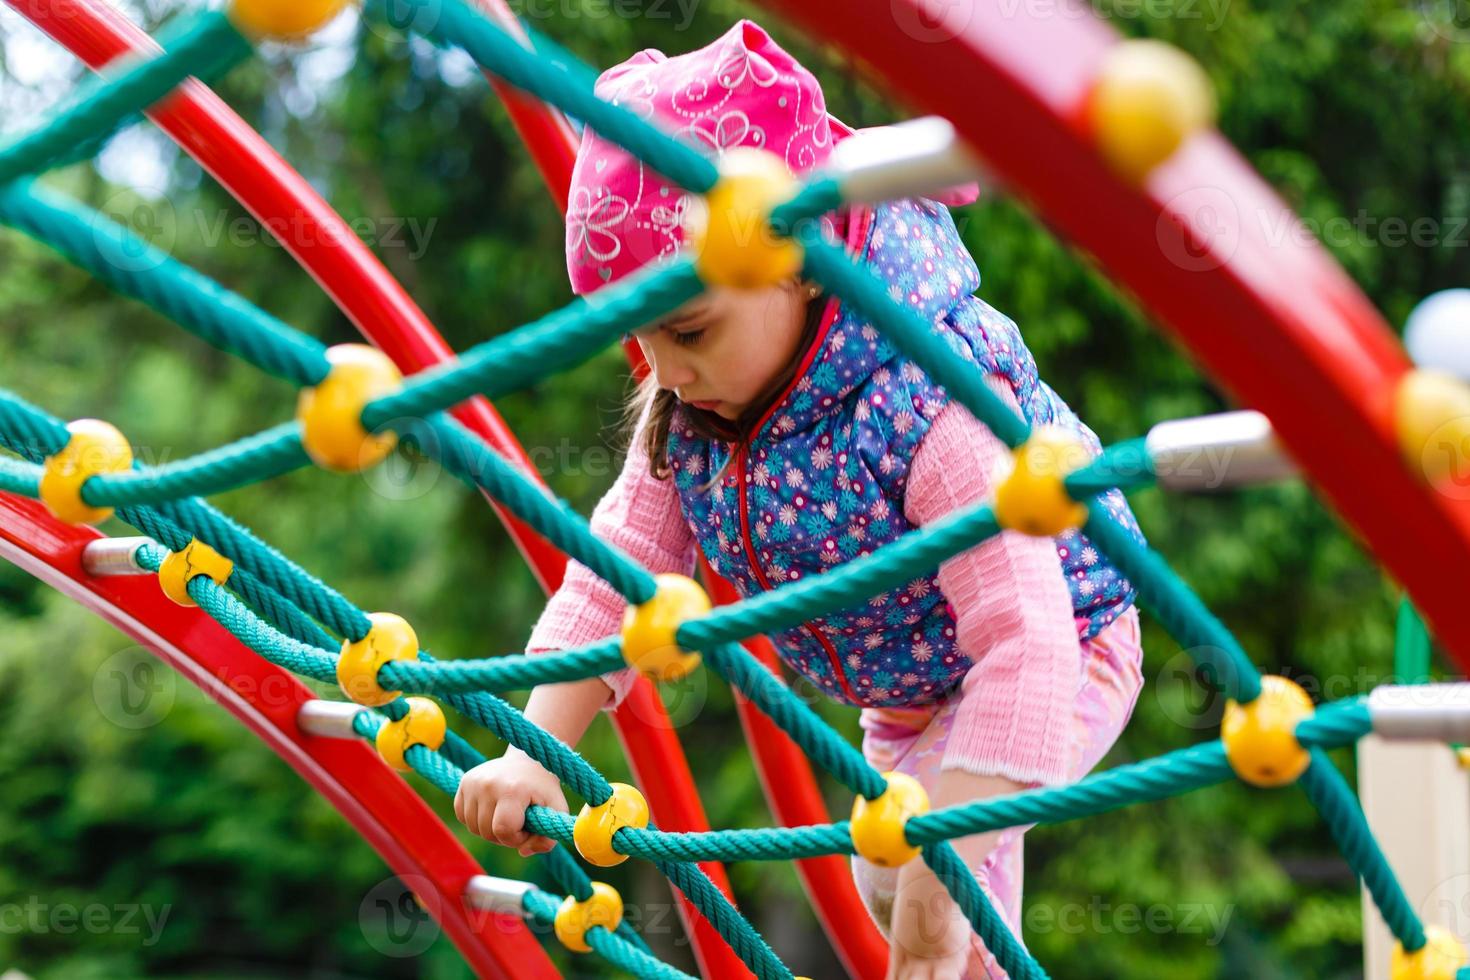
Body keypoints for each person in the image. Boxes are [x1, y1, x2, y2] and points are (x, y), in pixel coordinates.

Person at [453, 18, 1148, 977]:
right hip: (908, 697)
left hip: (1065, 635)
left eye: (689, 331)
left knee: (940, 903)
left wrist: (950, 864)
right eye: (642, 340)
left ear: (801, 265)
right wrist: (534, 748)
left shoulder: (925, 405)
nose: (665, 372)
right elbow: (611, 581)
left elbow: (1025, 636)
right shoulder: (689, 417)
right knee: (887, 878)